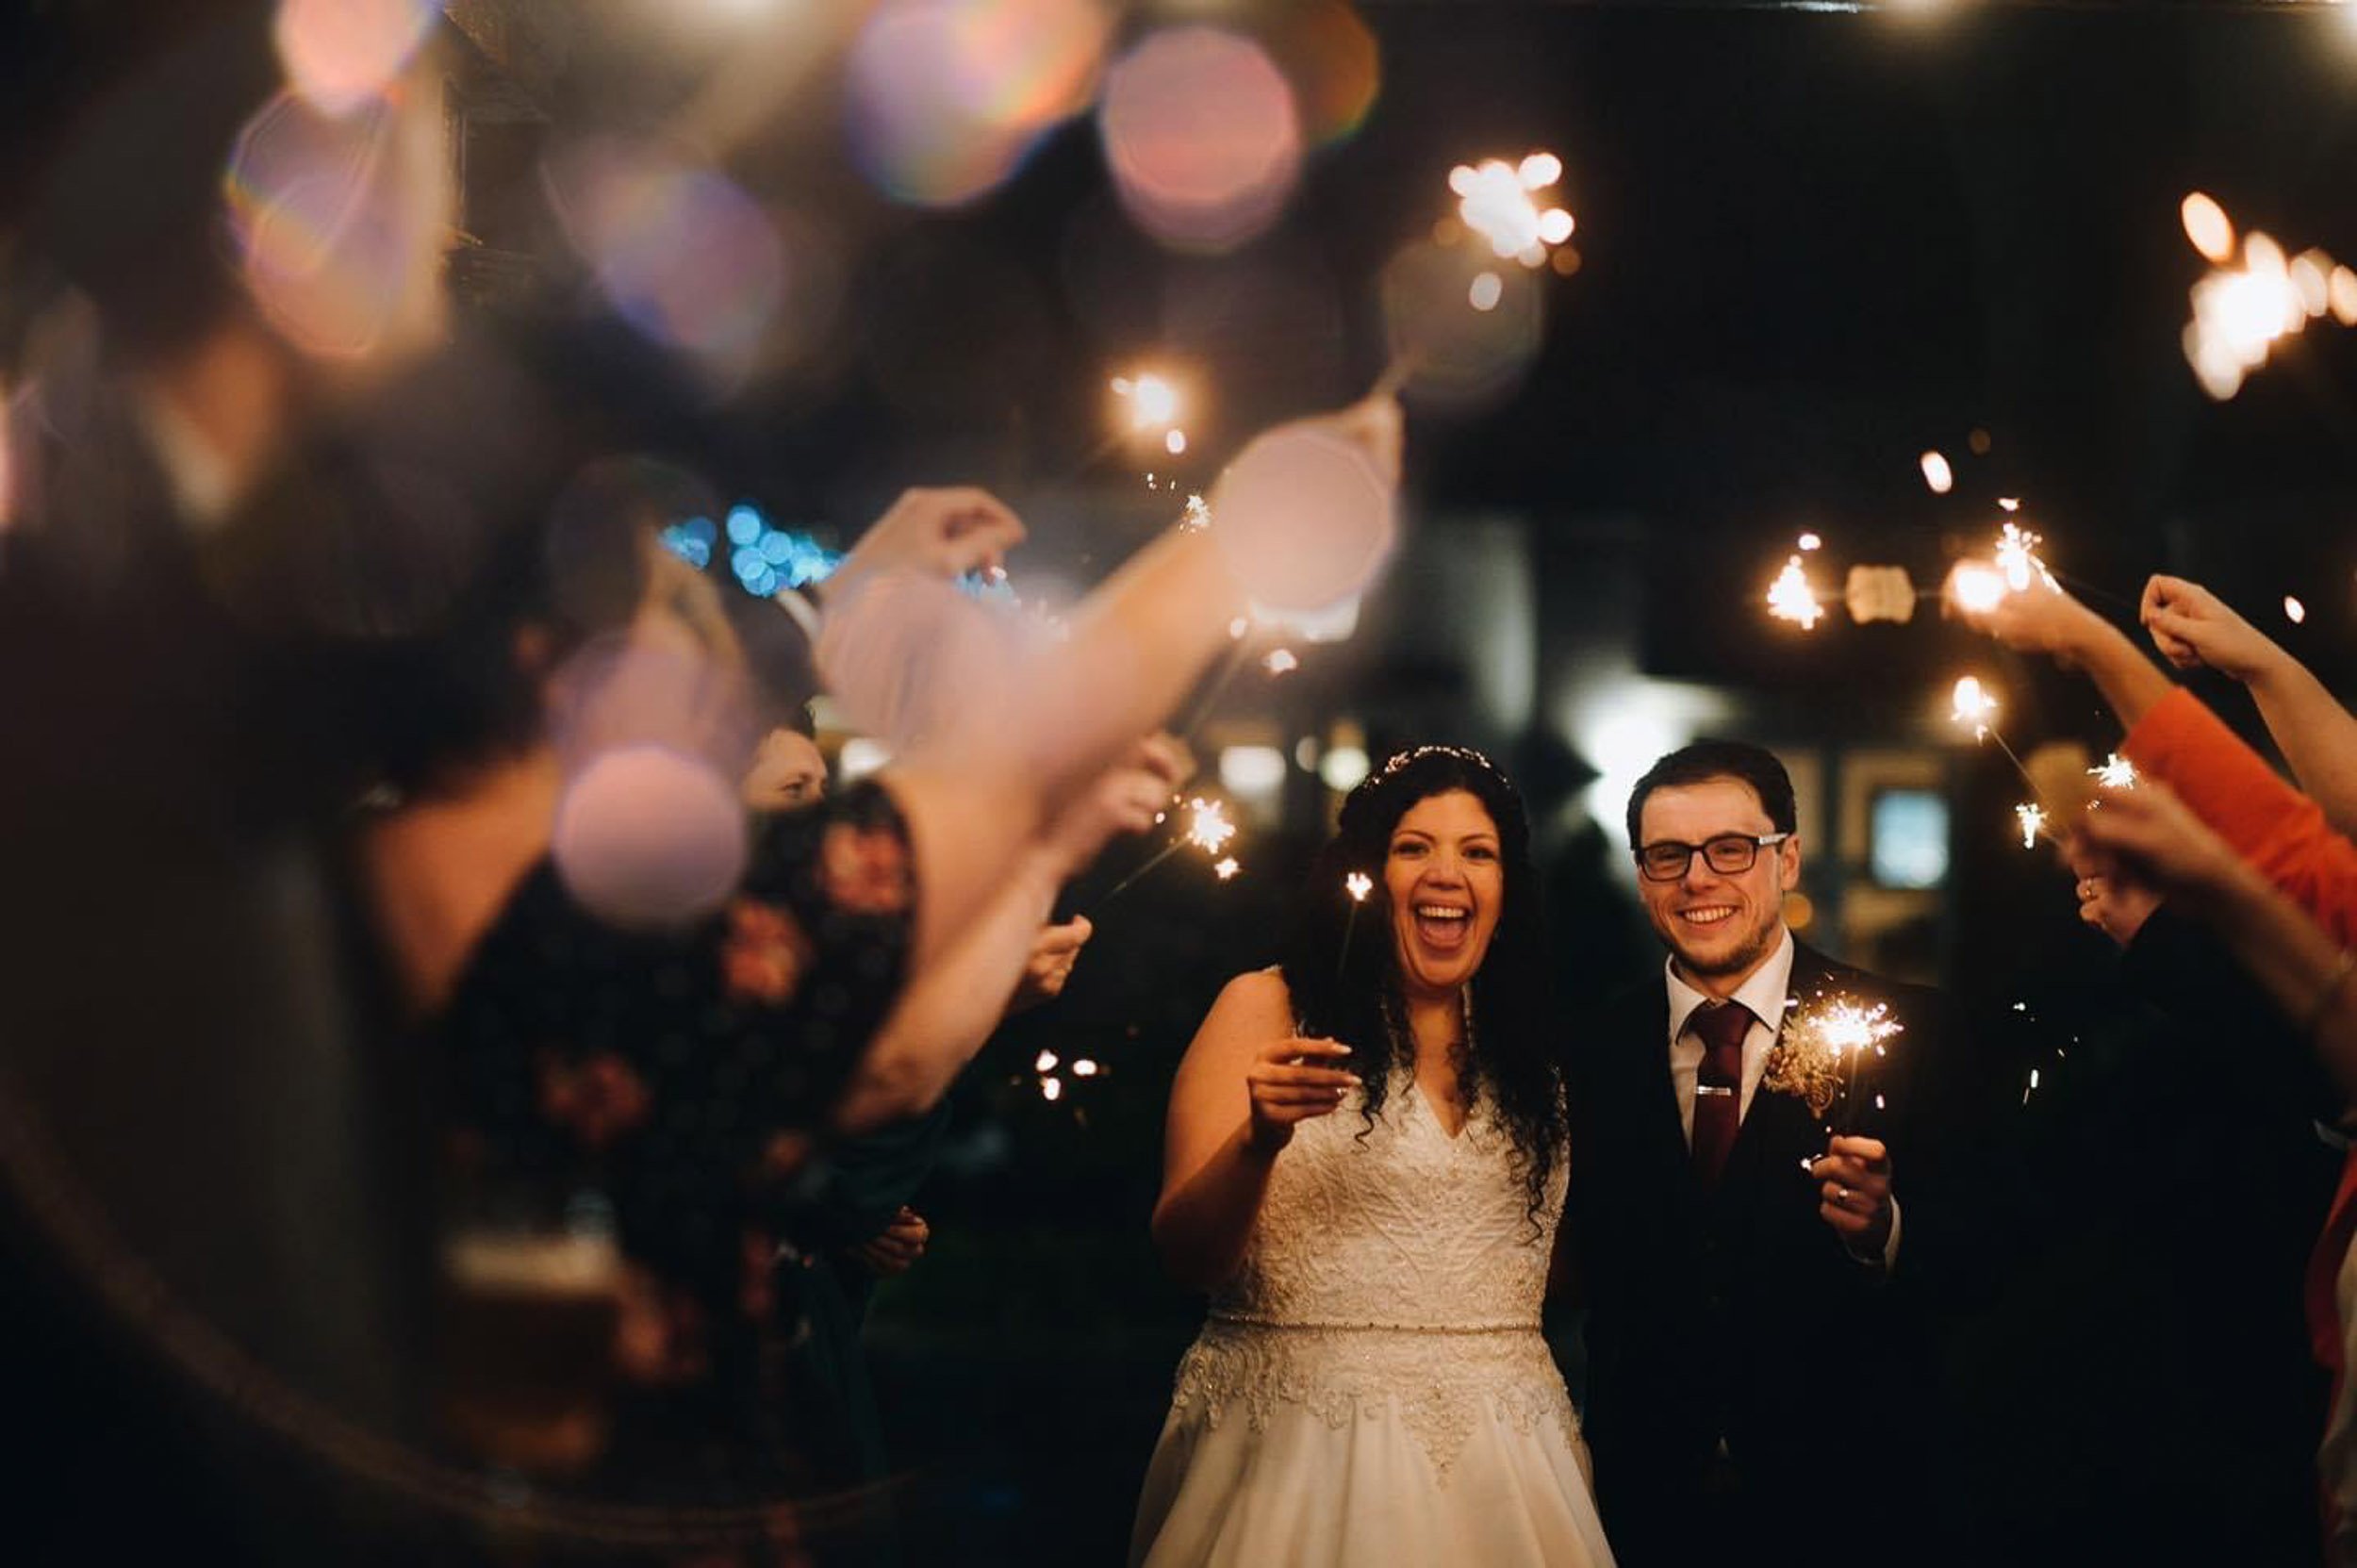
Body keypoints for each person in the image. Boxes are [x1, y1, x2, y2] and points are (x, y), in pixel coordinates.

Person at [1132, 745, 1614, 1566]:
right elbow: (1187, 1258)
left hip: (1510, 1474)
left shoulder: (1533, 1053)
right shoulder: (1270, 1007)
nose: (1447, 873)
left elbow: (1556, 1264)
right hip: (1297, 1462)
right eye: (1413, 846)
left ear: (1506, 891)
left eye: (1478, 852)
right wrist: (1260, 1139)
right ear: (1366, 873)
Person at [1567, 740, 1962, 1567]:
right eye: (1669, 855)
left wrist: (1883, 1229)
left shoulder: (1911, 1034)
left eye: (1730, 850)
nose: (1698, 879)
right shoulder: (1582, 1051)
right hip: (1634, 1506)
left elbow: (1985, 1260)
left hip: (1847, 1502)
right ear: (1642, 877)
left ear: (1787, 860)